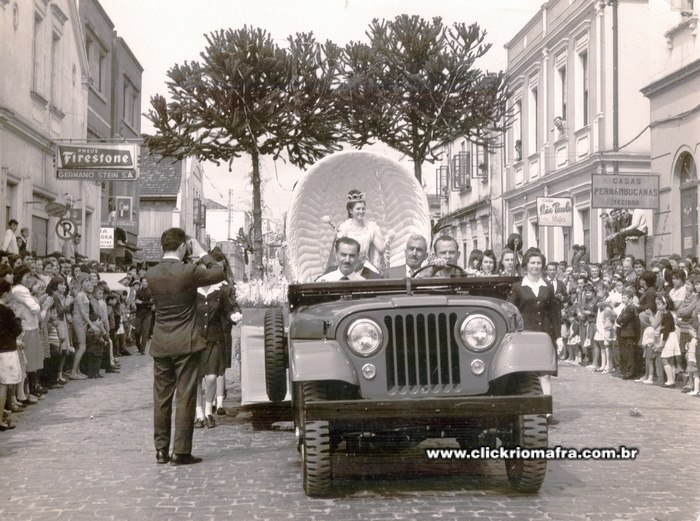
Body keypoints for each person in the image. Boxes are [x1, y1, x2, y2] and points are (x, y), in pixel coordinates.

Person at [146, 227, 225, 466]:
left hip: (161, 342)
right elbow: (218, 271)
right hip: (186, 342)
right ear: (183, 247)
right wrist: (201, 252)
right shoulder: (189, 271)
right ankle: (180, 452)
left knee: (161, 398)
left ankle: (161, 450)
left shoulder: (151, 273)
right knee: (185, 397)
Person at [507, 248, 561, 425]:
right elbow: (511, 311)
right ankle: (526, 412)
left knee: (544, 374)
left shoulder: (548, 286)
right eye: (533, 263)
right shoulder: (518, 287)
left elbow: (554, 313)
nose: (536, 266)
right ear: (526, 266)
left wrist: (559, 337)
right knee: (526, 375)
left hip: (545, 335)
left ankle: (547, 413)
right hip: (525, 335)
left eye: (539, 263)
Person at [194, 248, 238, 429]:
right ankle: (199, 415)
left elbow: (229, 309)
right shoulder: (191, 290)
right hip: (194, 339)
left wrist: (234, 316)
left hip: (214, 338)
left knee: (211, 377)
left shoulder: (220, 289)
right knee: (196, 378)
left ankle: (209, 411)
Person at [334, 189, 386, 274]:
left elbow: (381, 249)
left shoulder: (370, 227)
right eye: (358, 209)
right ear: (351, 211)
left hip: (365, 266)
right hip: (348, 264)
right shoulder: (345, 228)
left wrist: (388, 240)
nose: (361, 212)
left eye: (363, 209)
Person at [0, 279, 23, 432]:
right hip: (6, 350)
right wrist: (18, 317)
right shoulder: (6, 311)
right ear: (6, 293)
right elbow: (16, 330)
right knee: (3, 384)